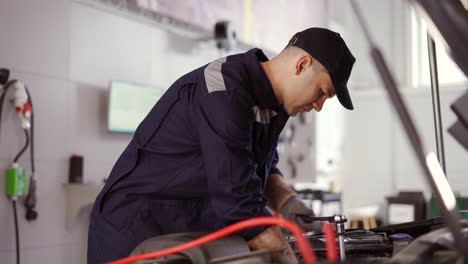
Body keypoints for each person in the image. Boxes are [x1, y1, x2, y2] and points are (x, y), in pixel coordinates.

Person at [87, 27, 356, 264]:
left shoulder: (272, 105)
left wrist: (288, 202)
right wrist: (287, 256)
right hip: (136, 230)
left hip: (183, 233)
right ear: (302, 65)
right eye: (322, 92)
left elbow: (262, 166)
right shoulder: (224, 90)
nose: (319, 106)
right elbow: (237, 199)